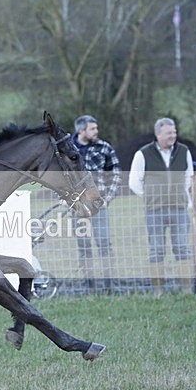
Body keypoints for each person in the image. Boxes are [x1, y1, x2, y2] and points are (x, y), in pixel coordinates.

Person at [128, 117, 194, 296]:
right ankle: (158, 290)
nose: (173, 136)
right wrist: (152, 197)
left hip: (179, 209)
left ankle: (186, 289)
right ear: (158, 134)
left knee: (182, 248)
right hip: (154, 211)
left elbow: (189, 177)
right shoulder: (143, 154)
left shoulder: (184, 151)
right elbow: (134, 183)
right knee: (156, 250)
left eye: (174, 132)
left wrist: (177, 195)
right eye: (168, 133)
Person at [71, 115, 121, 294]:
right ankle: (89, 286)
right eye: (92, 129)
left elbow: (115, 174)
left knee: (104, 244)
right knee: (84, 246)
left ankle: (110, 286)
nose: (96, 132)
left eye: (96, 128)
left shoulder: (104, 148)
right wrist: (62, 197)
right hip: (77, 207)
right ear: (81, 131)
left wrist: (107, 198)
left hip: (99, 207)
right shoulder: (68, 149)